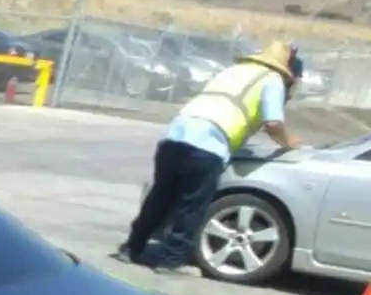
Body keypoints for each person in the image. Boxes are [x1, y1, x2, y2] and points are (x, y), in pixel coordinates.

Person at [113, 41, 303, 275]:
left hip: (174, 135)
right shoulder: (272, 80)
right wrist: (289, 142)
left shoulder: (233, 71)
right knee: (191, 205)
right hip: (208, 144)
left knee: (159, 197)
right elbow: (273, 123)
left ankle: (131, 248)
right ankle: (171, 261)